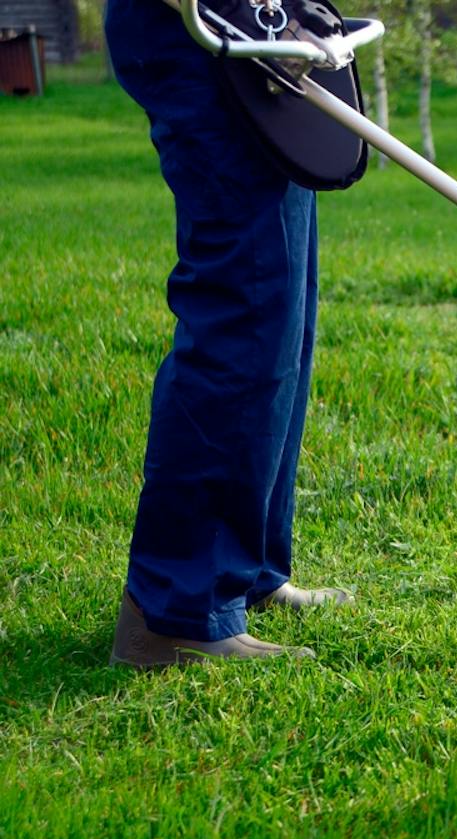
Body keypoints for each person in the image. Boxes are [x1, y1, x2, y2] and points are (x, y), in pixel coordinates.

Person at [105, 0, 352, 668]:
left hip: (256, 29)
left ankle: (248, 571)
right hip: (198, 29)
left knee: (283, 310)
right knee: (245, 304)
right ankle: (177, 610)